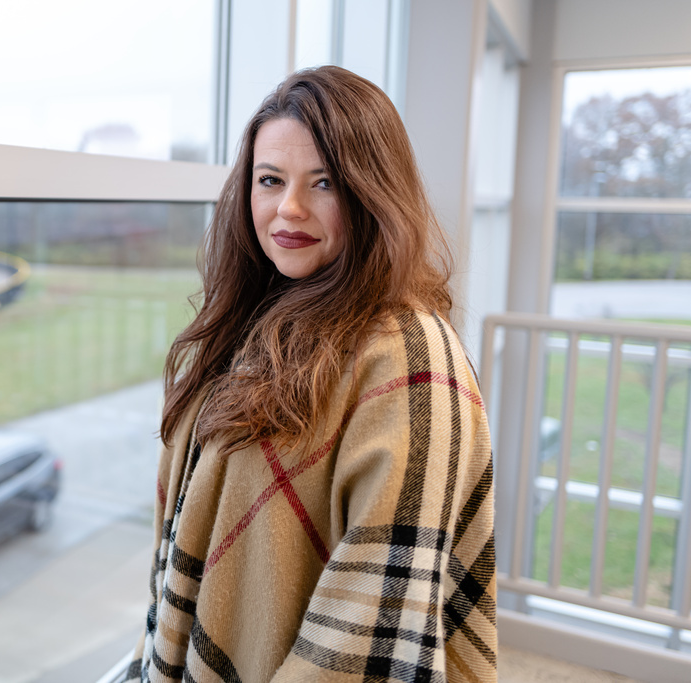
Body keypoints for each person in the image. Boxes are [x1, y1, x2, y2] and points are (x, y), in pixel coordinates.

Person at [121, 66, 495, 683]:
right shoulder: (256, 324)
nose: (288, 209)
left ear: (373, 193)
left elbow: (370, 642)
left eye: (324, 183)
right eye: (271, 180)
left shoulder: (411, 357)